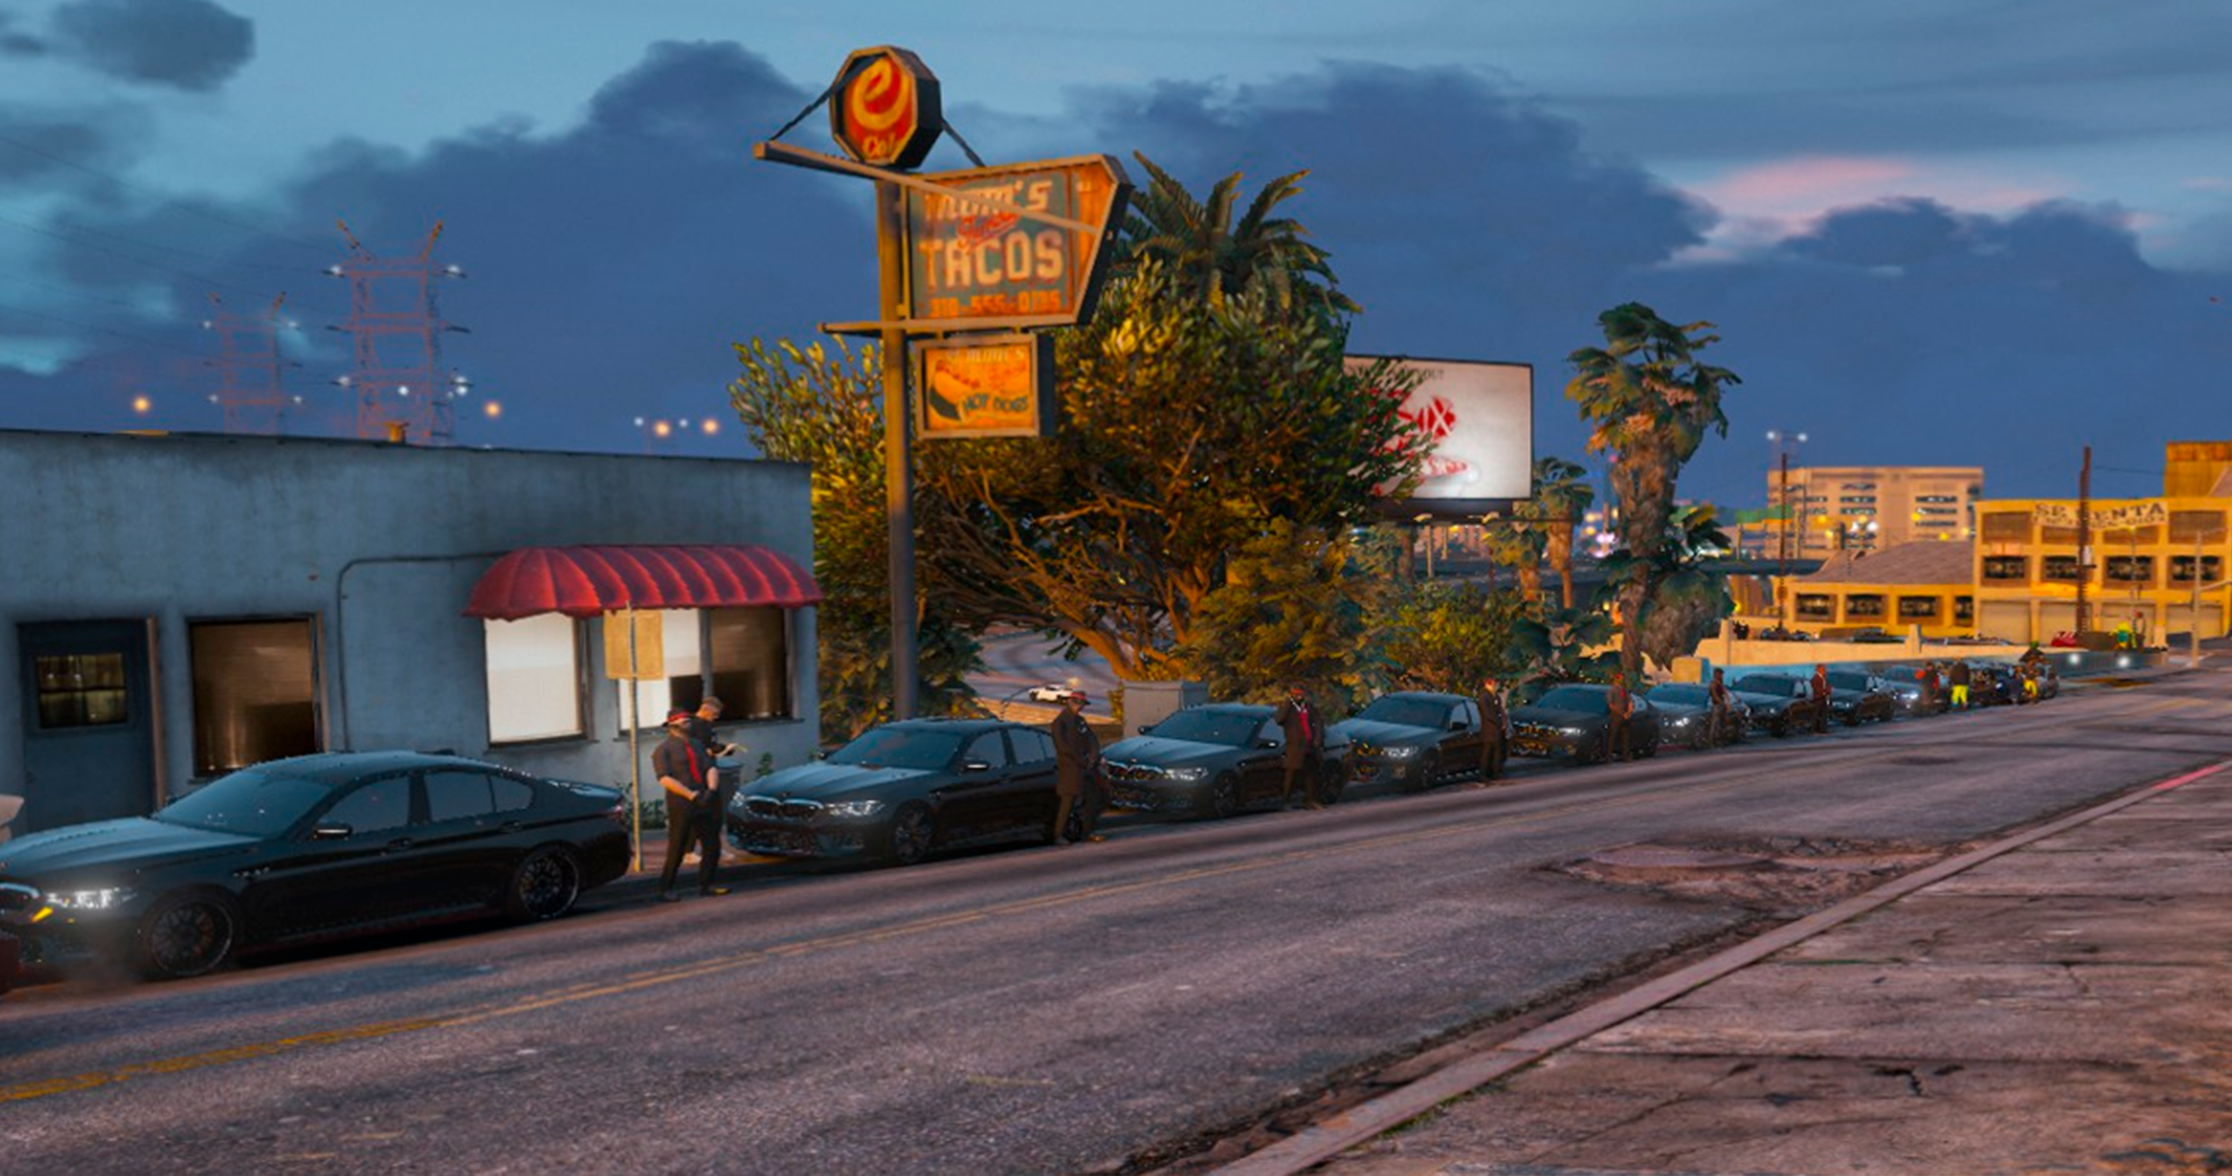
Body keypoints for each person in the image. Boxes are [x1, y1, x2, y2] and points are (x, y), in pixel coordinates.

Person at [655, 709, 727, 901]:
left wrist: (711, 790)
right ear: (673, 726)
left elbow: (710, 767)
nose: (689, 724)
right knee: (677, 846)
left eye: (689, 721)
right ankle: (666, 888)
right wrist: (690, 795)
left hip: (705, 799)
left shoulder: (697, 745)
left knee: (712, 844)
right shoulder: (663, 750)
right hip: (681, 802)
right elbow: (664, 779)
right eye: (685, 722)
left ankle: (707, 884)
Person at [1048, 690, 1103, 844]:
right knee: (1067, 803)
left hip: (1086, 768)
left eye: (1081, 704)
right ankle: (1058, 835)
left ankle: (1087, 832)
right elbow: (1062, 747)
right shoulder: (1060, 723)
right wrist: (1079, 760)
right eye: (1076, 703)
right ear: (1068, 702)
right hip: (1070, 769)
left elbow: (1092, 740)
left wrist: (1093, 757)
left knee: (1092, 800)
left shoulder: (1081, 721)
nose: (1079, 707)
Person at [685, 695, 743, 816]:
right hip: (699, 772)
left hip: (709, 768)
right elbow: (698, 750)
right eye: (715, 714)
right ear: (706, 709)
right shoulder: (693, 725)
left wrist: (723, 749)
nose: (716, 718)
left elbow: (709, 745)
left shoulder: (706, 725)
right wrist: (717, 749)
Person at [1274, 682, 1325, 809]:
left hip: (1309, 745)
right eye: (1295, 694)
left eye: (1300, 694)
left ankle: (1310, 800)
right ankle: (1286, 801)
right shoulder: (1288, 708)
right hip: (1295, 746)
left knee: (1311, 775)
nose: (1298, 696)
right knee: (1291, 775)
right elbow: (1279, 720)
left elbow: (1318, 722)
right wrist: (1288, 703)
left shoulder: (1308, 707)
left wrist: (1317, 739)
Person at [1476, 677, 1510, 782]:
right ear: (1488, 683)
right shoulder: (1484, 697)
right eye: (1494, 683)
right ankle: (1483, 774)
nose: (1495, 686)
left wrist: (1503, 722)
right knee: (1487, 752)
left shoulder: (1495, 696)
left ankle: (1495, 773)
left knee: (1496, 753)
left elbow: (1500, 710)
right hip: (1489, 730)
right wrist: (1498, 722)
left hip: (1497, 730)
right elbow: (1487, 714)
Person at [1605, 672, 1634, 761]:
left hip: (1622, 716)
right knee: (1613, 736)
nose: (1621, 680)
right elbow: (1611, 705)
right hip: (1617, 716)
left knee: (1625, 737)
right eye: (1619, 679)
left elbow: (1630, 701)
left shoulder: (1623, 690)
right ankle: (1609, 755)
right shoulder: (1612, 690)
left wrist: (1628, 712)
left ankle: (1625, 755)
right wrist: (1623, 713)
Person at [1707, 667, 1734, 745]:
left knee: (1721, 723)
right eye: (1720, 674)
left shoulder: (1719, 683)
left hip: (1720, 705)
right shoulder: (1713, 684)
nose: (1722, 676)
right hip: (1717, 706)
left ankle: (1718, 739)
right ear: (1716, 674)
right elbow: (1715, 695)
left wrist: (1727, 702)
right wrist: (1722, 703)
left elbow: (1725, 692)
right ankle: (1712, 741)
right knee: (1715, 724)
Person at [1810, 663, 1832, 734]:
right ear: (1819, 670)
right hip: (1818, 698)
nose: (1825, 670)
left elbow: (1828, 686)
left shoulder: (1824, 677)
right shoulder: (1815, 678)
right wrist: (1824, 692)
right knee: (1815, 714)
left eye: (1824, 669)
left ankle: (1823, 729)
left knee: (1824, 714)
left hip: (1824, 698)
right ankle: (1813, 729)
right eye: (1823, 669)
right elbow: (1816, 689)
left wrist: (1828, 691)